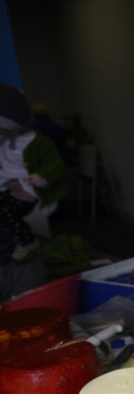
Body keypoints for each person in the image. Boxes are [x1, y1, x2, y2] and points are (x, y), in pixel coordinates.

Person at [0, 83, 67, 261]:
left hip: (24, 193)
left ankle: (26, 241)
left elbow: (54, 165)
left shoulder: (33, 141)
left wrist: (38, 180)